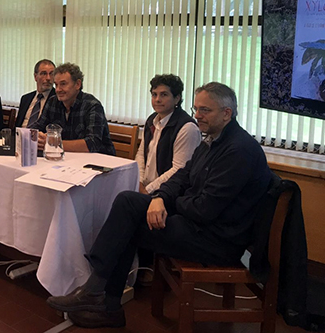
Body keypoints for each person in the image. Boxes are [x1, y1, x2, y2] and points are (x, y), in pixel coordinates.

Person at [46, 82, 273, 329]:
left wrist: (169, 203)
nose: (197, 115)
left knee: (128, 222)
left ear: (227, 113)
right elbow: (183, 176)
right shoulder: (213, 139)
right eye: (196, 108)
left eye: (205, 110)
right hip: (198, 225)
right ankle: (99, 295)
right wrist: (161, 198)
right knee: (127, 201)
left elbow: (204, 209)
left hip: (217, 240)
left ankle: (102, 299)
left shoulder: (238, 150)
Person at [137, 74, 201, 194]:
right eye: (154, 94)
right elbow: (141, 154)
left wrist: (147, 190)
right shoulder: (152, 120)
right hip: (145, 188)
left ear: (177, 98)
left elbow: (179, 169)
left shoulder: (187, 128)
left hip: (167, 192)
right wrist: (139, 182)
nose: (157, 99)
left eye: (164, 94)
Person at [33, 63, 115, 155]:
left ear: (77, 84)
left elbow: (92, 143)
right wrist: (38, 136)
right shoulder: (53, 102)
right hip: (65, 158)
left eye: (63, 84)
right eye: (56, 85)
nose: (58, 90)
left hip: (99, 162)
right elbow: (36, 127)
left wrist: (54, 142)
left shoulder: (92, 105)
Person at [16, 59, 56, 129]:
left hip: (41, 138)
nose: (48, 78)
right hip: (20, 137)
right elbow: (17, 126)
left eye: (51, 74)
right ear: (35, 77)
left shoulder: (57, 99)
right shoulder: (26, 98)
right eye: (44, 73)